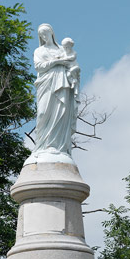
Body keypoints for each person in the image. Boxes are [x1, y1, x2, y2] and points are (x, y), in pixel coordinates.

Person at [32, 24, 78, 159]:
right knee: (42, 112)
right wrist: (57, 62)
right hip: (46, 83)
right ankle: (41, 145)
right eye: (42, 35)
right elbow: (39, 67)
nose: (44, 37)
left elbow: (73, 64)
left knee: (61, 112)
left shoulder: (62, 49)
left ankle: (57, 145)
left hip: (62, 82)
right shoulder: (39, 51)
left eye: (46, 33)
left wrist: (73, 71)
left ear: (51, 33)